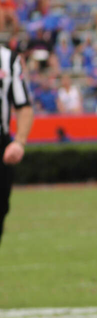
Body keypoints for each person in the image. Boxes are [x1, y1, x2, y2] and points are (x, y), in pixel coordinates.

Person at [0, 42, 33, 246]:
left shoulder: (8, 59)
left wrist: (19, 141)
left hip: (1, 142)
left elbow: (24, 106)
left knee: (1, 208)